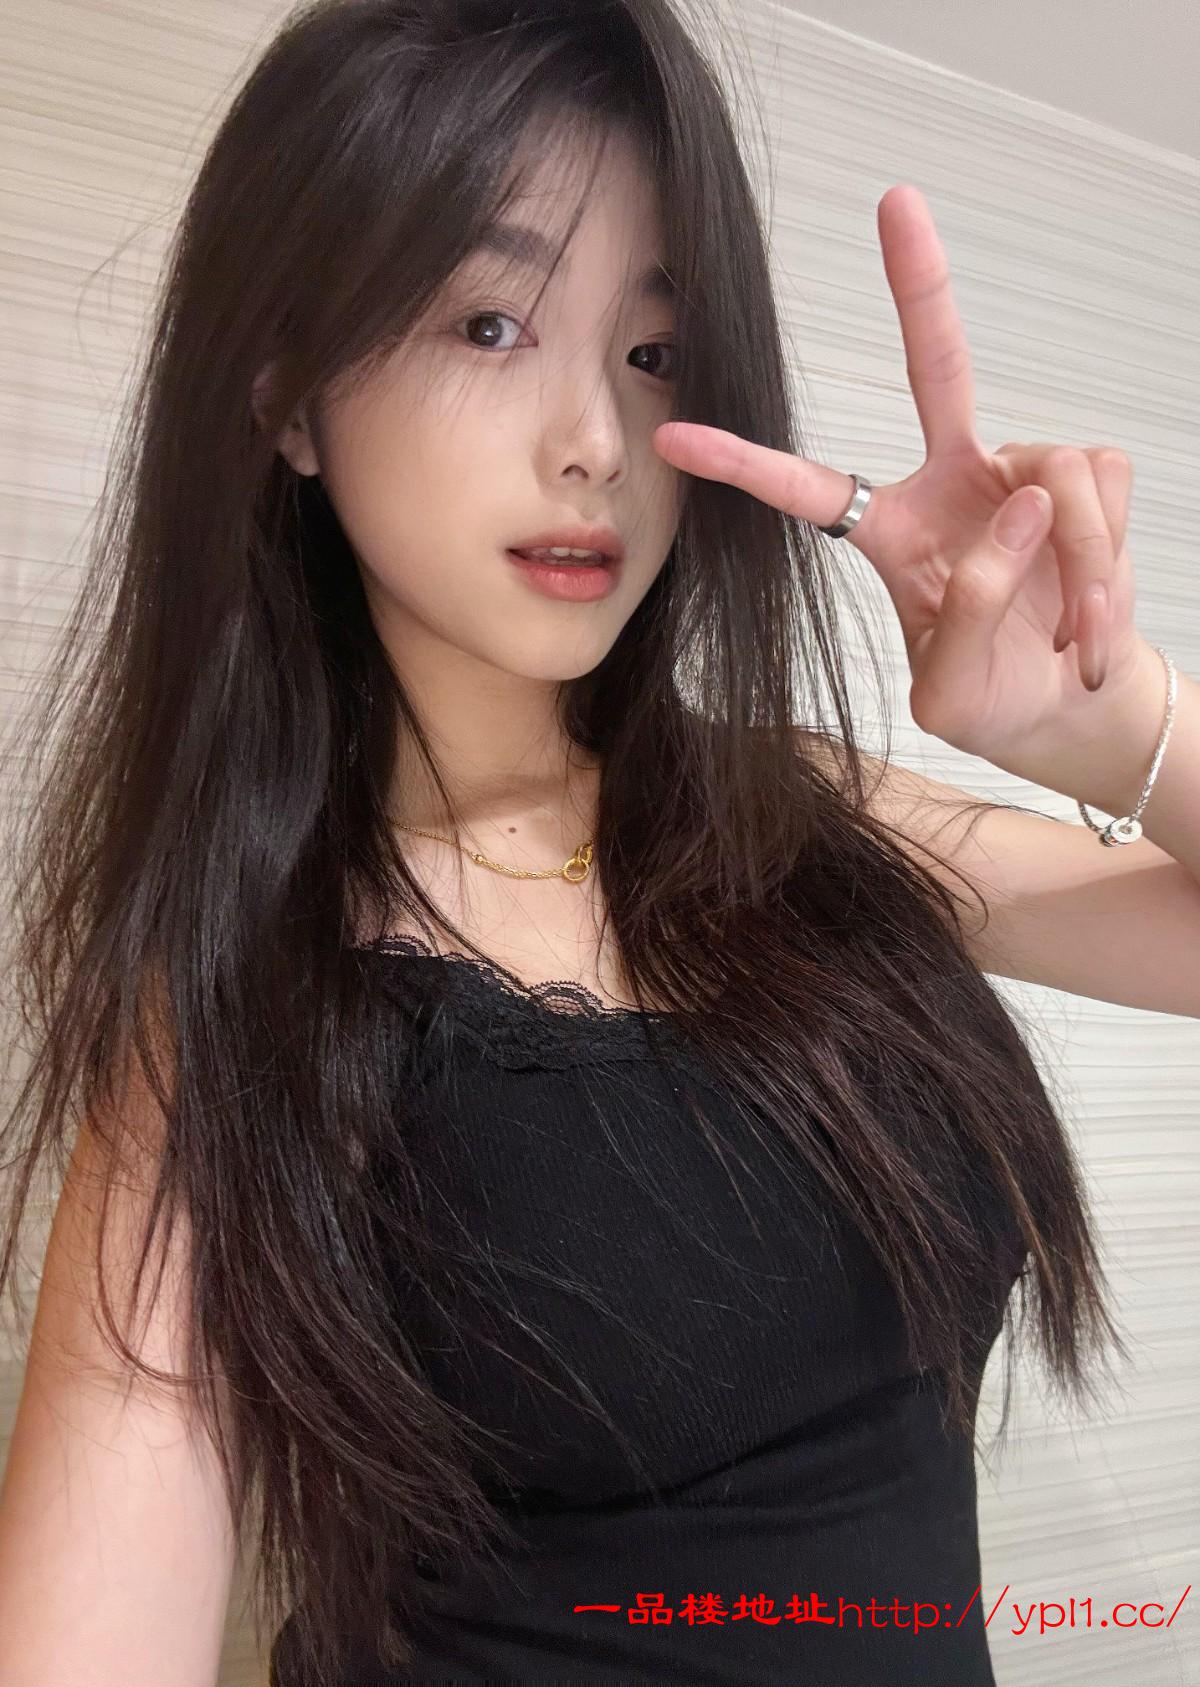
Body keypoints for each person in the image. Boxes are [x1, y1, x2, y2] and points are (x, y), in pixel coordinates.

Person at [10, 0, 1191, 1682]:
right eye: (490, 322)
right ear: (287, 398)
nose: (596, 444)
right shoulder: (235, 1010)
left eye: (653, 353)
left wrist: (1115, 724)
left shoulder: (794, 807)